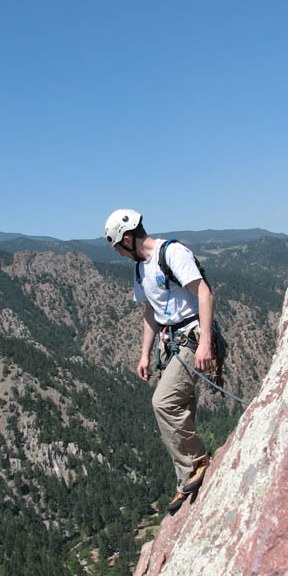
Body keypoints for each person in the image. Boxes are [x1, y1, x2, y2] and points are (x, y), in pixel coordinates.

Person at [104, 208, 214, 515]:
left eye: (117, 247)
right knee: (182, 410)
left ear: (127, 239)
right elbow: (151, 313)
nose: (118, 254)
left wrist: (205, 341)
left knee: (164, 403)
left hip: (193, 335)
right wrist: (144, 355)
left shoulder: (172, 253)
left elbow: (203, 294)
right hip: (173, 342)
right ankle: (186, 478)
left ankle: (197, 462)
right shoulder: (141, 269)